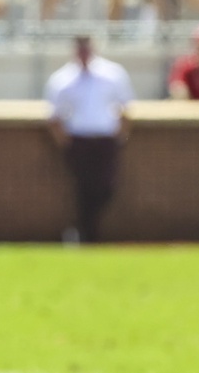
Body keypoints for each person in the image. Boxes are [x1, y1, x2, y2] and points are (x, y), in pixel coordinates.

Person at [45, 35, 133, 243]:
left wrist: (120, 137)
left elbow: (126, 107)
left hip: (105, 140)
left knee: (106, 187)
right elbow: (53, 116)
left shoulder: (112, 73)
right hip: (79, 141)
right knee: (83, 189)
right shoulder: (63, 78)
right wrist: (66, 144)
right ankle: (87, 235)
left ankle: (83, 231)